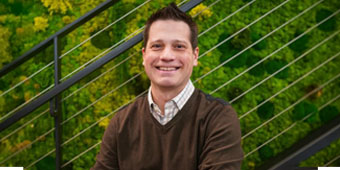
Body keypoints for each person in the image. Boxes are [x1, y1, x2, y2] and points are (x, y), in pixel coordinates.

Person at [92, 3, 243, 170]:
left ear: (195, 56)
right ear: (144, 56)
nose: (167, 56)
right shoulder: (121, 123)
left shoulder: (218, 118)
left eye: (179, 46)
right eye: (157, 46)